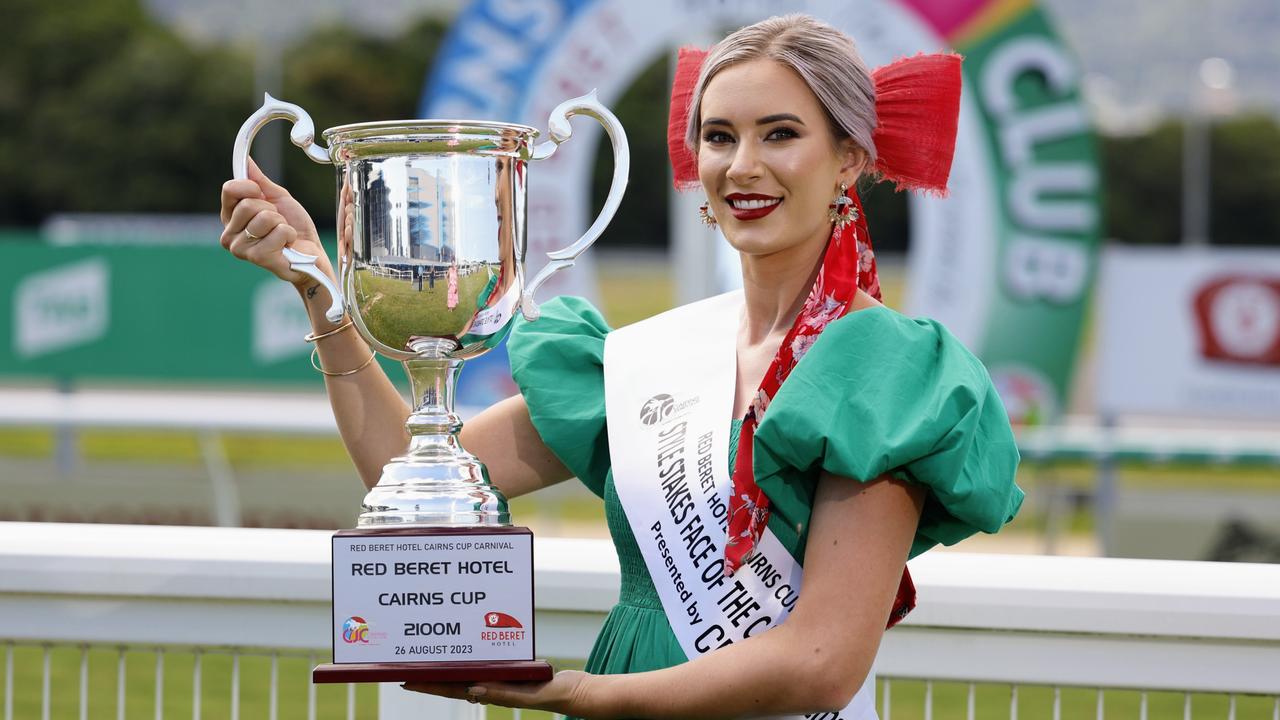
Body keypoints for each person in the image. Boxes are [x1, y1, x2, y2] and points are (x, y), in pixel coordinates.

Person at [219, 14, 1022, 719]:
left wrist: (580, 695)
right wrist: (317, 285)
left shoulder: (885, 366)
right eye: (719, 136)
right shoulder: (649, 359)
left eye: (780, 133)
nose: (742, 166)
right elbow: (410, 472)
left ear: (848, 159)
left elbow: (821, 666)